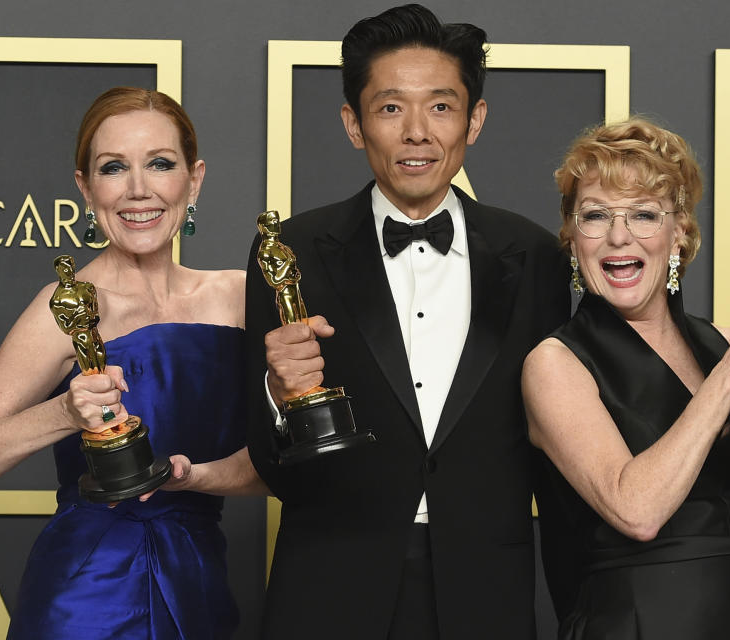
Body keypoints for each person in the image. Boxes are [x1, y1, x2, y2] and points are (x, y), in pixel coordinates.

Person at [243, 5, 569, 639]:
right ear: (353, 124)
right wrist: (279, 397)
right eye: (391, 108)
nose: (418, 132)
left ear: (474, 119)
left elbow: (556, 448)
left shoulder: (535, 256)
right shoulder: (290, 251)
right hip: (330, 587)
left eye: (441, 107)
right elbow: (269, 458)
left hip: (486, 590)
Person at [0, 87, 267, 639]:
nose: (139, 190)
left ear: (195, 178)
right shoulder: (63, 306)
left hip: (199, 584)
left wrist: (197, 478)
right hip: (84, 596)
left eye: (160, 164)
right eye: (114, 168)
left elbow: (283, 465)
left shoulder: (240, 297)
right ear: (86, 189)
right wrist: (65, 413)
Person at [523, 117, 730, 639]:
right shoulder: (556, 362)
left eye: (645, 215)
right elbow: (636, 511)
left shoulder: (724, 341)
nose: (618, 237)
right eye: (595, 216)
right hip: (644, 624)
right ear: (572, 240)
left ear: (680, 236)